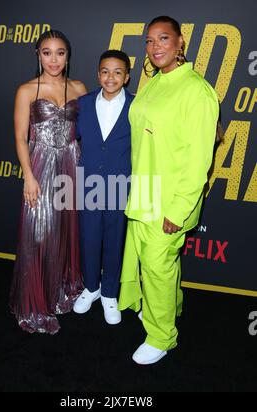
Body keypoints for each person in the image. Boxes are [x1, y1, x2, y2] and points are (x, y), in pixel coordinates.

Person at [118, 16, 220, 364]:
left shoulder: (196, 90)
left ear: (180, 42)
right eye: (149, 41)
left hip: (171, 199)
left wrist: (178, 210)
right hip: (144, 190)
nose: (155, 46)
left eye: (163, 38)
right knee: (157, 266)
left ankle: (162, 337)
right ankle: (168, 309)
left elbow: (198, 160)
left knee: (157, 265)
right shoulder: (156, 83)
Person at [9, 29, 87, 334]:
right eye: (47, 52)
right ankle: (36, 302)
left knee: (68, 229)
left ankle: (63, 288)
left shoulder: (79, 87)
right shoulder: (27, 90)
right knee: (39, 232)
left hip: (72, 162)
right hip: (40, 165)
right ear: (38, 55)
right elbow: (19, 136)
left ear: (68, 56)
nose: (53, 59)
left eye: (60, 52)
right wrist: (28, 175)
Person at [73, 50, 134, 325]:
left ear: (127, 76)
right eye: (105, 71)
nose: (111, 77)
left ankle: (110, 293)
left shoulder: (137, 106)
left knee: (114, 240)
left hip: (121, 184)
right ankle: (91, 287)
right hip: (87, 184)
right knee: (88, 238)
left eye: (118, 72)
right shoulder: (83, 104)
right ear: (98, 74)